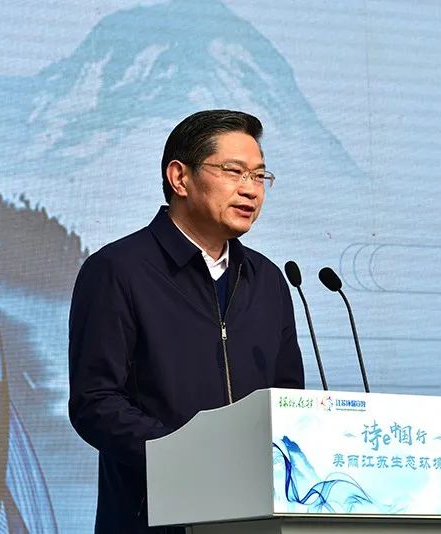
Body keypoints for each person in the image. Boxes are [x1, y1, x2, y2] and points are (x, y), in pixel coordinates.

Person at [68, 109, 305, 533]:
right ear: (180, 178)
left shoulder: (267, 280)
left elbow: (288, 401)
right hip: (154, 519)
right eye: (234, 171)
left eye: (259, 176)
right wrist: (187, 455)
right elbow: (95, 403)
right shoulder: (119, 270)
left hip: (256, 520)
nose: (250, 189)